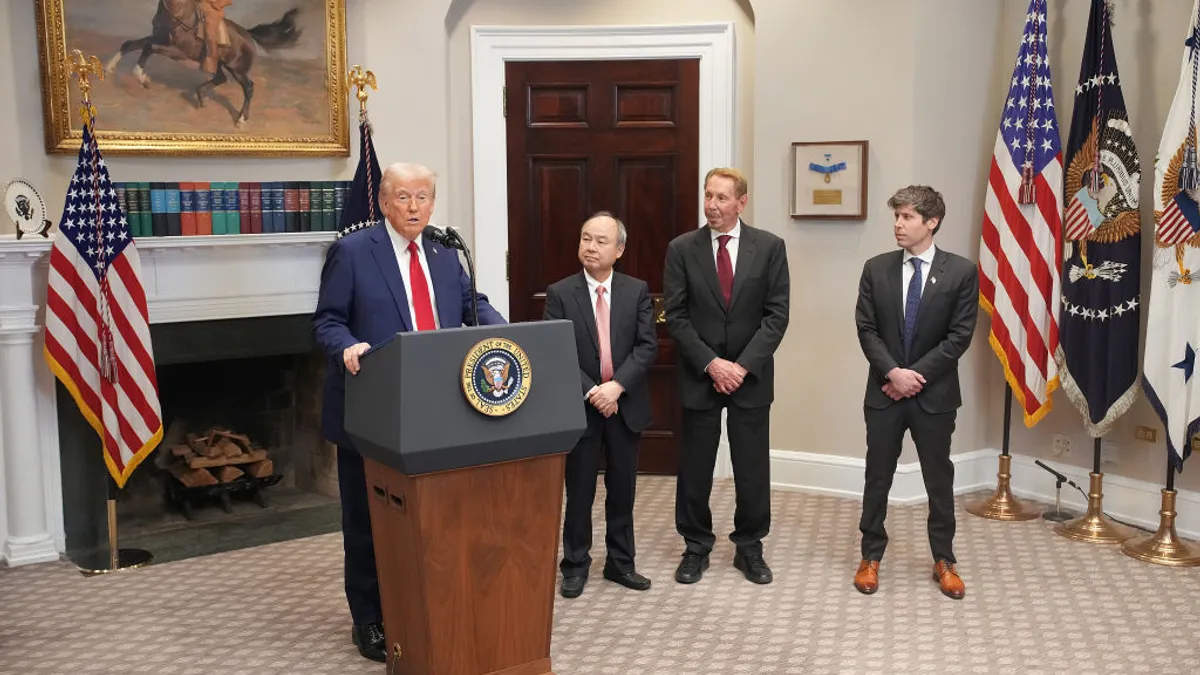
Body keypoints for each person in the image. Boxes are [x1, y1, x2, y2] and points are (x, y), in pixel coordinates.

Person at [312, 162, 506, 661]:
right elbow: (326, 321)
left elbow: (472, 303)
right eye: (404, 198)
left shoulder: (444, 254)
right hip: (370, 409)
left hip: (435, 408)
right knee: (367, 519)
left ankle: (423, 601)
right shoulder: (353, 251)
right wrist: (348, 345)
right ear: (383, 201)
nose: (414, 207)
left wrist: (505, 332)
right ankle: (370, 619)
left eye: (423, 197)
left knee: (429, 515)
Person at [663, 167, 790, 585]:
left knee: (751, 466)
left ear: (741, 202)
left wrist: (741, 366)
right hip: (700, 374)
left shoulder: (769, 247)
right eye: (708, 196)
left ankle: (749, 548)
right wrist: (712, 364)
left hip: (750, 377)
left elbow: (776, 315)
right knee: (695, 466)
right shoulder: (682, 249)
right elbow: (676, 317)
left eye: (721, 198)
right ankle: (695, 546)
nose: (712, 206)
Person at [852, 185, 978, 600]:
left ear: (932, 222)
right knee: (877, 476)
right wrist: (892, 372)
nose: (898, 225)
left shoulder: (960, 272)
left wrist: (913, 376)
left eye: (906, 217)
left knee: (938, 479)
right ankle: (870, 556)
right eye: (897, 217)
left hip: (934, 396)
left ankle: (944, 558)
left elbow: (959, 337)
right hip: (884, 392)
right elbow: (866, 329)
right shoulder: (876, 268)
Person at [543, 212, 657, 598]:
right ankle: (575, 565)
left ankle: (621, 563)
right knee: (579, 491)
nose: (590, 247)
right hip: (582, 407)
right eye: (585, 238)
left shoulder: (637, 290)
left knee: (622, 488)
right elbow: (556, 352)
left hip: (625, 405)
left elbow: (647, 347)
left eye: (600, 241)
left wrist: (616, 388)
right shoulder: (560, 293)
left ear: (619, 249)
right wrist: (595, 391)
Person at [198, 0, 233, 74]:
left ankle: (211, 61)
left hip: (212, 9)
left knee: (209, 32)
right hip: (199, 4)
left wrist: (215, 4)